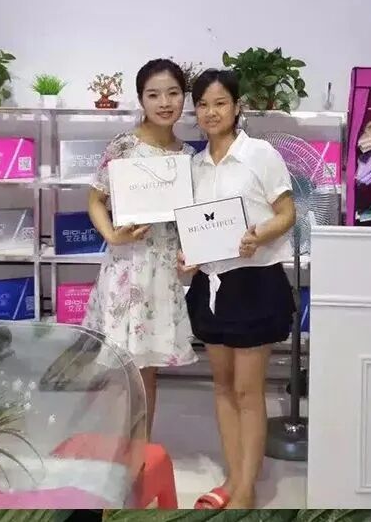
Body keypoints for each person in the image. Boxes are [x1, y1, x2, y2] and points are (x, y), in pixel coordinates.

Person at [180, 68, 297, 510]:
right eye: (203, 105)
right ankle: (234, 478)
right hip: (211, 284)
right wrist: (188, 256)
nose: (211, 112)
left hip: (254, 282)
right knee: (222, 387)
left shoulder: (260, 154)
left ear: (236, 106)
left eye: (220, 103)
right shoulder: (194, 166)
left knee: (249, 390)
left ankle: (246, 490)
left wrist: (259, 235)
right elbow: (195, 227)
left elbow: (287, 213)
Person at [81, 58, 198, 436]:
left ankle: (140, 447)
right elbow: (95, 199)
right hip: (126, 267)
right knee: (118, 365)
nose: (164, 102)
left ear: (184, 98)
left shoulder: (188, 156)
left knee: (147, 367)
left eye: (173, 93)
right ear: (141, 99)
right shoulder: (124, 146)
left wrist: (192, 254)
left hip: (162, 273)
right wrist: (112, 235)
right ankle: (114, 446)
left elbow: (189, 220)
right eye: (154, 95)